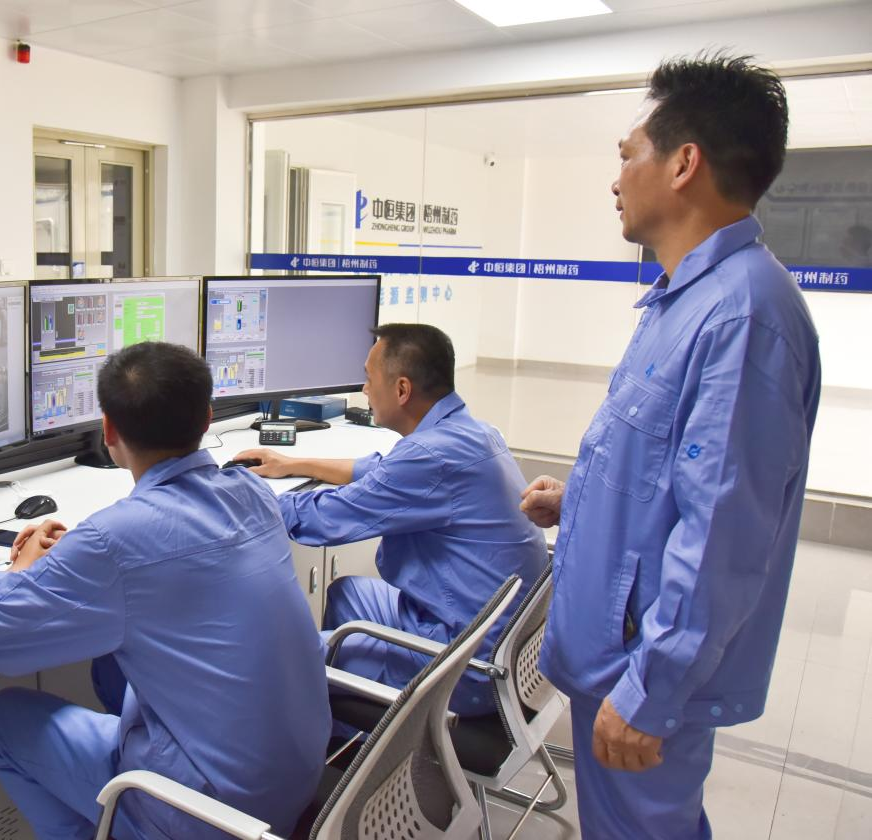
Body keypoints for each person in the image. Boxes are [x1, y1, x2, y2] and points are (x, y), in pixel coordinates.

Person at [520, 53, 820, 839]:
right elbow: (671, 473)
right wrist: (580, 501)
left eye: (627, 155)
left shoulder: (742, 315)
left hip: (638, 667)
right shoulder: (683, 298)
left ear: (683, 163)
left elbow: (724, 532)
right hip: (615, 653)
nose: (614, 179)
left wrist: (649, 691)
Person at [0, 341, 331, 840]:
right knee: (110, 668)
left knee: (3, 719)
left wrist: (20, 568)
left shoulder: (111, 540)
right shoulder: (253, 491)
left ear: (108, 430)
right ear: (207, 417)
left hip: (211, 816)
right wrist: (83, 560)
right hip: (295, 786)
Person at [236, 322, 547, 714]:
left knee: (300, 661)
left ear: (402, 389)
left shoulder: (429, 457)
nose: (364, 389)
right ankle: (353, 720)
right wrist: (292, 463)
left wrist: (234, 494)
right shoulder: (473, 433)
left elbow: (325, 518)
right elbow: (378, 470)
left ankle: (357, 725)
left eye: (369, 378)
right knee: (348, 594)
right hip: (503, 645)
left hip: (468, 668)